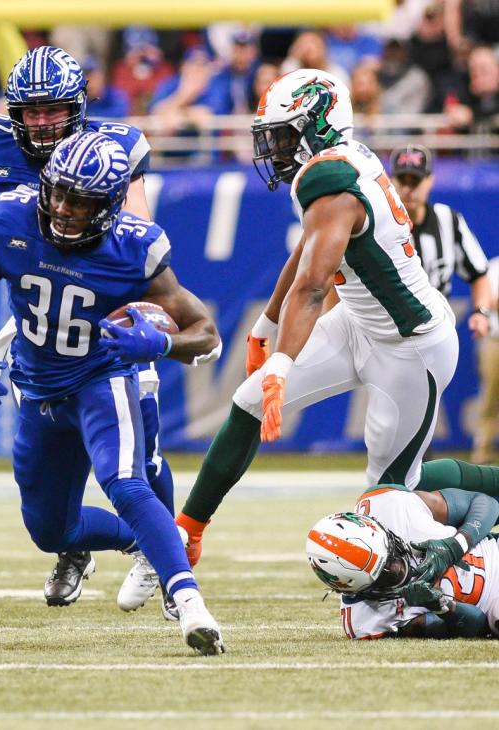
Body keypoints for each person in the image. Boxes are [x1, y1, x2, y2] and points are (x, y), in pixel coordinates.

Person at [0, 130, 225, 656]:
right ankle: (148, 540)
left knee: (126, 484)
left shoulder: (134, 248)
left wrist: (159, 343)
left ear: (109, 205)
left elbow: (207, 334)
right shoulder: (14, 220)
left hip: (99, 379)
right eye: (59, 192)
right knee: (50, 530)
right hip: (37, 388)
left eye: (80, 201)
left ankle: (189, 601)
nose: (63, 209)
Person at [0, 45, 182, 617]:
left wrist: (135, 317)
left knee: (140, 457)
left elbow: (137, 231)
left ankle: (169, 563)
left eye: (54, 110)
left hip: (107, 313)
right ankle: (79, 546)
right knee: (52, 487)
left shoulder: (112, 148)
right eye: (31, 110)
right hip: (43, 324)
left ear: (79, 107)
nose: (42, 122)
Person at [174, 68, 460, 566]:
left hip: (411, 347)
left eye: (284, 135)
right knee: (248, 402)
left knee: (387, 499)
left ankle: (471, 530)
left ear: (318, 125)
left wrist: (282, 365)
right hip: (358, 322)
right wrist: (265, 328)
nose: (275, 150)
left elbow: (312, 286)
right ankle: (187, 533)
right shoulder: (341, 161)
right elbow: (307, 251)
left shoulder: (329, 179)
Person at [306, 472, 499, 638]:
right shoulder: (367, 619)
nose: (396, 569)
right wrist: (441, 606)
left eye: (391, 557)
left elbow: (484, 502)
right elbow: (480, 627)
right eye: (382, 576)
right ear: (354, 590)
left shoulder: (389, 506)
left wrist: (454, 546)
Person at [390, 144, 493, 340]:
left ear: (430, 180)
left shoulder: (448, 220)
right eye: (403, 181)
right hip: (390, 331)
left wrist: (481, 312)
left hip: (437, 330)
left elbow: (479, 273)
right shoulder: (379, 224)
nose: (408, 189)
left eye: (415, 181)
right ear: (391, 181)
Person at [473, 256, 499, 463]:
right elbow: (490, 301)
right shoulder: (493, 268)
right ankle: (482, 451)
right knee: (489, 398)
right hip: (495, 341)